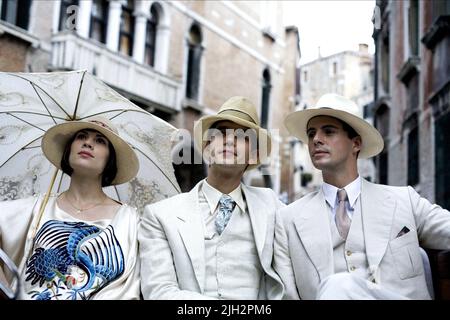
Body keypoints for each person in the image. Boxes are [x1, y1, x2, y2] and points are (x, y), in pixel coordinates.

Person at [274, 93, 450, 300]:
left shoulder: (404, 200)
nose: (316, 140)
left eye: (328, 131)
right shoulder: (288, 220)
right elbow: (287, 296)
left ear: (356, 143)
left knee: (340, 285)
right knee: (338, 286)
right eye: (311, 134)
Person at [139, 96, 284, 299]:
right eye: (221, 133)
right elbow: (159, 291)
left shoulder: (273, 208)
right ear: (207, 148)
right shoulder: (161, 215)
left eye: (243, 136)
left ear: (253, 155)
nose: (230, 140)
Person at [0, 116, 141, 300]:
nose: (88, 143)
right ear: (68, 150)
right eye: (81, 137)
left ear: (110, 159)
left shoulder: (131, 221)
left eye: (100, 141)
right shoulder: (38, 206)